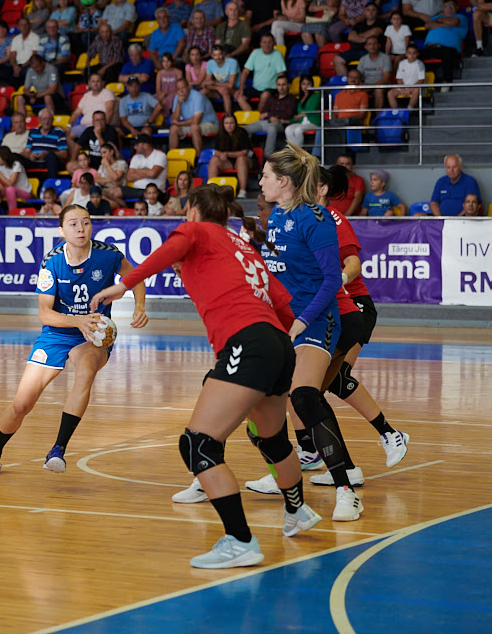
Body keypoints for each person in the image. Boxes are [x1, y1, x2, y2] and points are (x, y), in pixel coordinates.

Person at [93, 184, 322, 567]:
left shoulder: (197, 230)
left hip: (248, 342)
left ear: (193, 211)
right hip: (279, 343)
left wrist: (123, 285)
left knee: (198, 444)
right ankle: (297, 511)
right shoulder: (243, 246)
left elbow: (166, 252)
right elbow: (283, 305)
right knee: (273, 440)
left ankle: (240, 541)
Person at [0, 204, 148, 476]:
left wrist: (139, 307)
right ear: (61, 230)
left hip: (91, 335)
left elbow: (136, 278)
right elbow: (45, 314)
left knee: (86, 373)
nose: (81, 228)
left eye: (86, 222)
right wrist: (77, 320)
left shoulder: (109, 255)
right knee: (22, 404)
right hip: (56, 333)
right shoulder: (52, 262)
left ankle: (58, 450)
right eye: (73, 224)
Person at [256, 146, 363, 521]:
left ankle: (346, 490)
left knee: (304, 398)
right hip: (282, 321)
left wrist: (301, 321)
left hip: (317, 321)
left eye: (265, 176)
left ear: (284, 181)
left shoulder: (316, 218)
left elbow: (333, 279)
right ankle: (283, 477)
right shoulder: (276, 216)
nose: (260, 182)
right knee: (258, 404)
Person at [245, 73, 298, 159]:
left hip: (279, 124)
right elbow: (263, 112)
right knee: (243, 129)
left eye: (283, 85)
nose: (281, 87)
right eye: (279, 85)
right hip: (265, 122)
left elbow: (287, 115)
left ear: (289, 85)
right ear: (276, 86)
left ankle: (268, 156)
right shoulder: (272, 98)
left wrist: (268, 115)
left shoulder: (292, 99)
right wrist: (269, 115)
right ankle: (248, 152)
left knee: (272, 129)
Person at [168, 78, 220, 155]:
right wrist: (178, 104)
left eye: (183, 88)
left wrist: (178, 123)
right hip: (191, 124)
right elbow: (173, 120)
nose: (181, 91)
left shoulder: (197, 96)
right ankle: (172, 157)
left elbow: (196, 121)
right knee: (173, 129)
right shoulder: (177, 98)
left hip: (210, 124)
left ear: (188, 87)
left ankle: (198, 158)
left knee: (194, 127)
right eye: (178, 89)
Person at [236, 32, 286, 113]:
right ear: (260, 44)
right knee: (239, 97)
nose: (267, 45)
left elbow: (281, 74)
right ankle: (254, 116)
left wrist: (281, 90)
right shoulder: (255, 53)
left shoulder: (277, 54)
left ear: (274, 42)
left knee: (265, 95)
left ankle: (259, 116)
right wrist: (241, 89)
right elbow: (245, 72)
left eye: (270, 42)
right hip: (256, 88)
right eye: (264, 42)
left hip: (271, 88)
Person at [108, 135, 167, 201]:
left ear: (145, 145)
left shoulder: (160, 155)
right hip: (137, 189)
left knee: (150, 194)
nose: (134, 147)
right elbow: (129, 177)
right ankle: (125, 207)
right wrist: (148, 172)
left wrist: (136, 171)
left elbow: (153, 174)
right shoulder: (135, 157)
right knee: (112, 192)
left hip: (155, 190)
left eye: (137, 145)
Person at [208, 113, 251, 198]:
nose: (229, 126)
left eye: (231, 123)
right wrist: (221, 155)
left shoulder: (242, 132)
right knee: (214, 160)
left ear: (235, 123)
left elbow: (245, 152)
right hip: (228, 162)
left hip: (245, 161)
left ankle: (242, 190)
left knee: (241, 160)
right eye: (226, 123)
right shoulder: (220, 133)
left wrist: (227, 154)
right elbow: (216, 151)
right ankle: (211, 190)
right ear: (223, 124)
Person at [388, 44, 426, 109]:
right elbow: (399, 79)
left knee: (417, 89)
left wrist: (410, 89)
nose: (412, 55)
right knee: (390, 93)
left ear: (417, 54)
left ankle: (409, 109)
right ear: (406, 54)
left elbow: (421, 80)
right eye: (409, 53)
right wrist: (403, 89)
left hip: (415, 87)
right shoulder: (402, 63)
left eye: (414, 53)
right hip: (403, 87)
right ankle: (395, 111)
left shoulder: (420, 64)